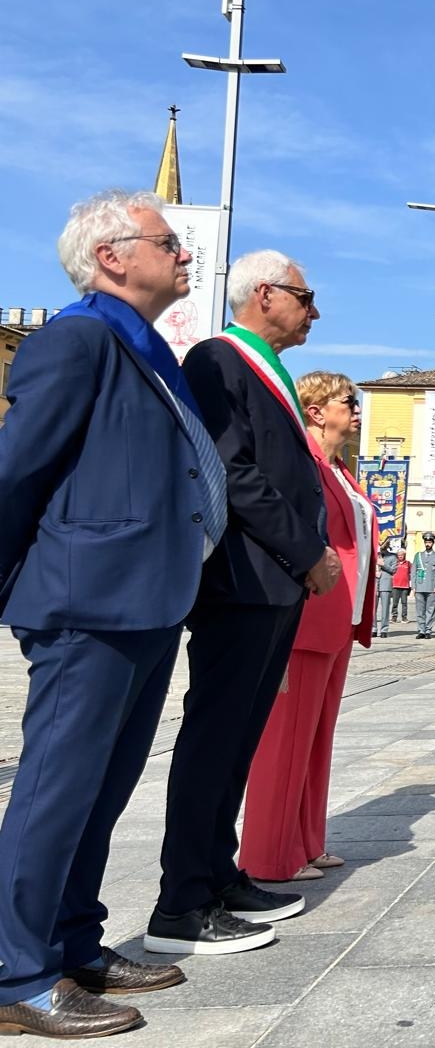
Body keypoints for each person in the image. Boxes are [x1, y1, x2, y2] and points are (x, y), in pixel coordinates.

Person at [0, 190, 226, 1036]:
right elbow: (15, 470)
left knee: (100, 787)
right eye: (168, 243)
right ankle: (16, 975)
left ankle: (70, 942)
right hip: (87, 598)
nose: (185, 255)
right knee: (56, 788)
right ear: (110, 256)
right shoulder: (77, 338)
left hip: (145, 598)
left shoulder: (146, 347)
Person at [149, 249, 340, 956]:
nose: (313, 310)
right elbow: (231, 470)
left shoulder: (268, 369)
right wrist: (308, 551)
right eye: (305, 294)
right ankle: (181, 903)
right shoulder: (219, 360)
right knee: (214, 735)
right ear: (265, 294)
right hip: (243, 580)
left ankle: (218, 874)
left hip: (272, 582)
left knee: (239, 740)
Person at [239, 371, 376, 885]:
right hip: (306, 616)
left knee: (317, 736)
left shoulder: (341, 470)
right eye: (349, 401)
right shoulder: (304, 464)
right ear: (316, 411)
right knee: (286, 738)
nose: (357, 409)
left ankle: (306, 841)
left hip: (339, 619)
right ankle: (270, 855)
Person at [412, 533, 435, 638]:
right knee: (420, 610)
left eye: (429, 542)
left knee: (430, 610)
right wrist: (413, 586)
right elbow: (413, 571)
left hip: (432, 587)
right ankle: (421, 630)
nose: (428, 544)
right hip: (419, 586)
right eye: (426, 542)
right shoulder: (418, 555)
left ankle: (428, 630)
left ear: (433, 543)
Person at [375, 537, 399, 637]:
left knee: (385, 608)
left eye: (384, 542)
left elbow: (393, 570)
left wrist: (383, 564)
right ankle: (373, 628)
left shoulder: (392, 557)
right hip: (374, 583)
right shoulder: (373, 555)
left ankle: (384, 629)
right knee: (372, 608)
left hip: (385, 584)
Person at [391, 551, 412, 622]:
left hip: (405, 586)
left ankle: (404, 617)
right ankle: (394, 617)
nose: (400, 556)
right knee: (395, 603)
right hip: (395, 586)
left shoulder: (408, 563)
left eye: (401, 555)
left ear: (404, 555)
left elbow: (412, 572)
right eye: (399, 555)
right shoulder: (395, 563)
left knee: (404, 603)